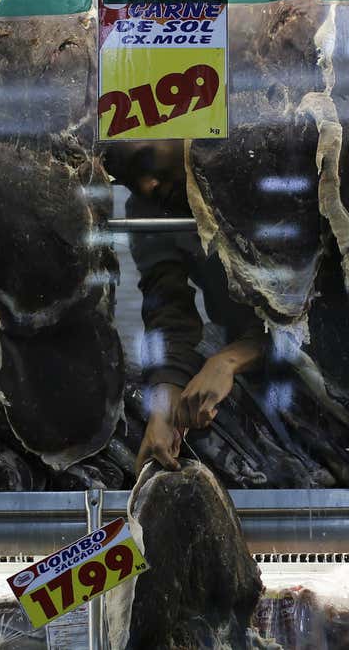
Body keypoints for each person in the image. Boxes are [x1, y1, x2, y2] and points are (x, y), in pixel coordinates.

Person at [103, 139, 271, 471]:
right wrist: (164, 408)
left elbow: (305, 306)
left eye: (145, 159)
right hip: (248, 362)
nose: (146, 185)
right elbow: (168, 308)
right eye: (128, 181)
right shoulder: (148, 208)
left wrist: (230, 360)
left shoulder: (256, 163)